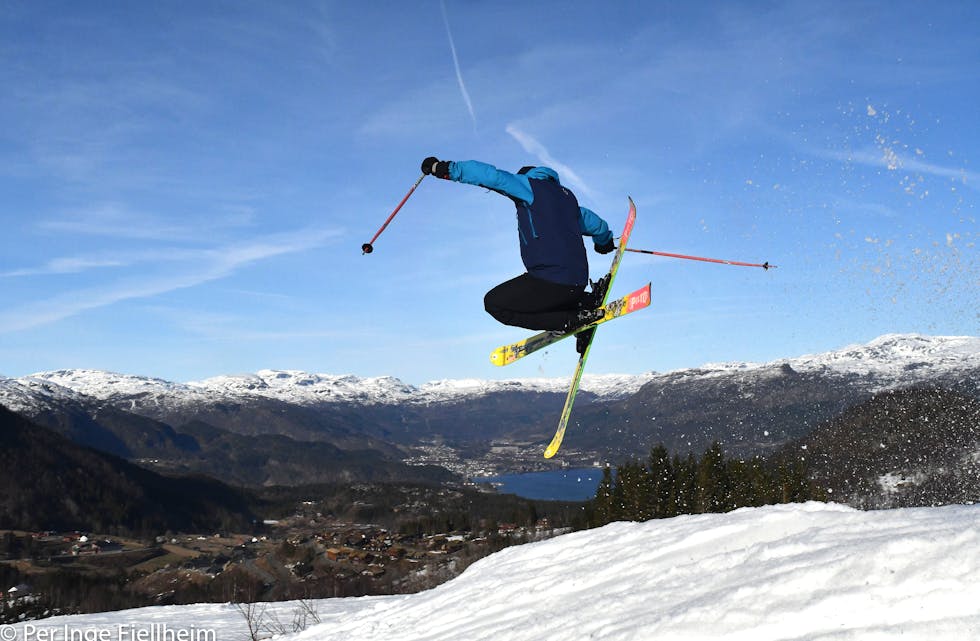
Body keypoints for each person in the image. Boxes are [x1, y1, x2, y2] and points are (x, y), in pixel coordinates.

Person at [420, 156, 615, 354]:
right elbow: (594, 223)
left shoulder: (529, 186)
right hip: (576, 282)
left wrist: (443, 169)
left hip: (550, 279)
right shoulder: (567, 200)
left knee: (495, 305)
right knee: (536, 292)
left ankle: (568, 320)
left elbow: (492, 177)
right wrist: (604, 241)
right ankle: (584, 303)